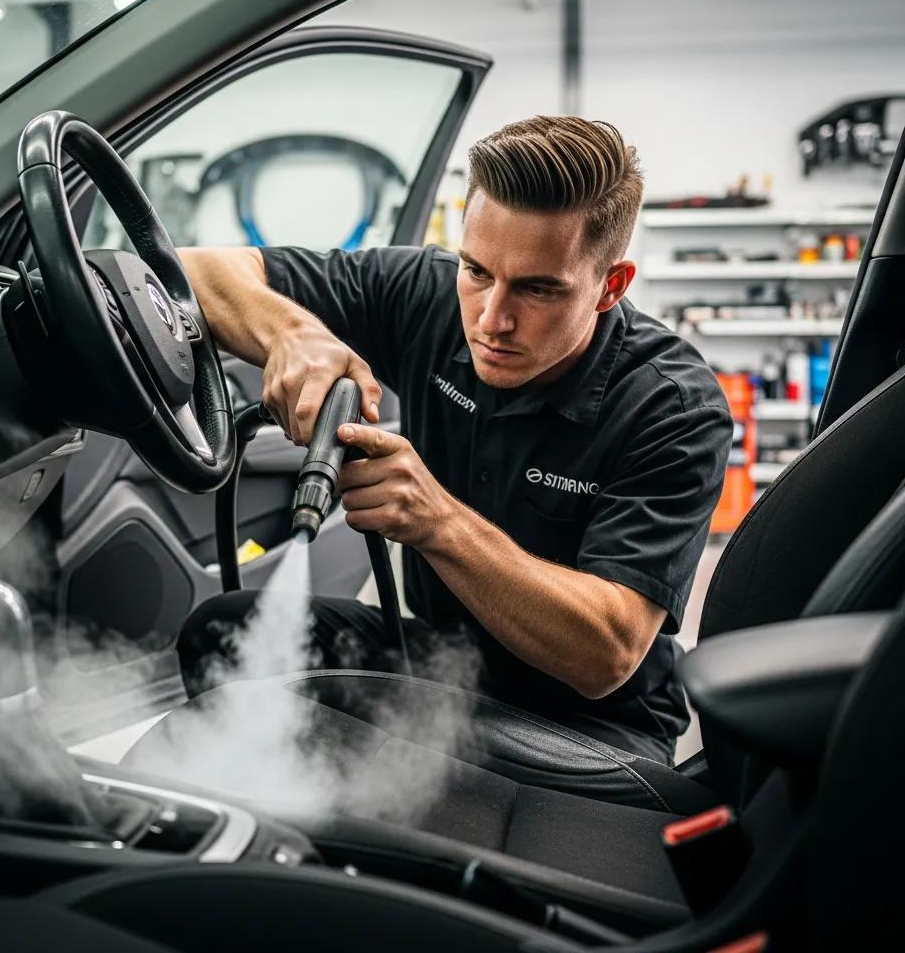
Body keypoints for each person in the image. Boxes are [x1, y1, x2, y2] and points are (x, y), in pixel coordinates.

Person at [178, 115, 733, 764]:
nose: (492, 318)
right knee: (223, 633)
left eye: (538, 288)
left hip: (588, 727)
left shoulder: (672, 405)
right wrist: (289, 334)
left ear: (610, 285)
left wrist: (436, 521)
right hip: (439, 665)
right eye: (477, 271)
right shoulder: (425, 294)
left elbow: (604, 655)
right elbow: (198, 272)